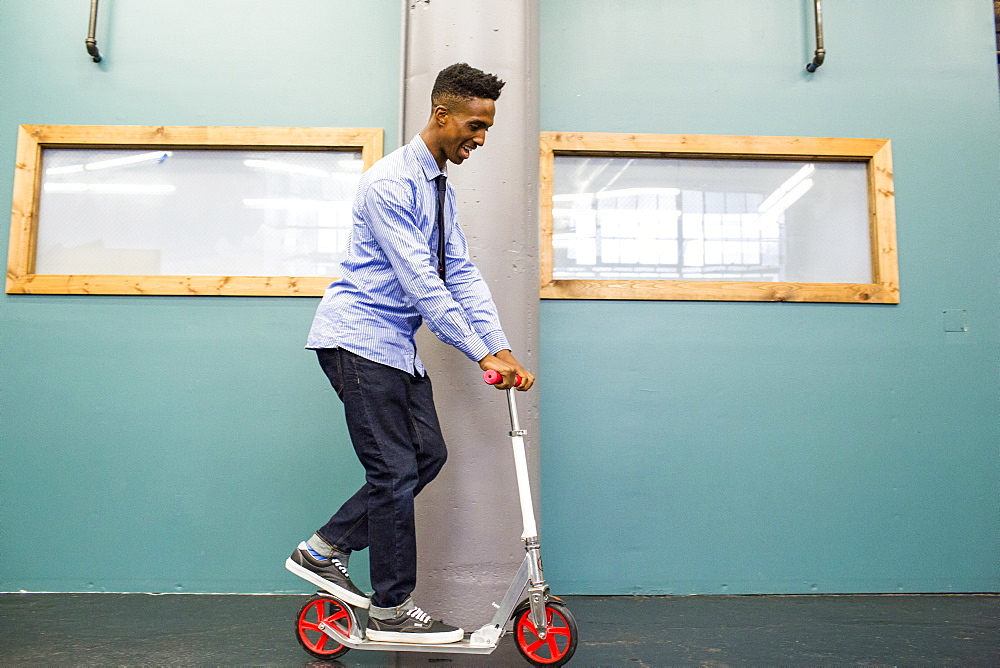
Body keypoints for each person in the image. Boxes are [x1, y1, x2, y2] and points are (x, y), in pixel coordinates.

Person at [285, 63, 533, 645]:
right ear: (441, 114)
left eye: (488, 128)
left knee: (425, 456)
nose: (480, 138)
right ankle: (391, 609)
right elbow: (424, 284)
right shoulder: (390, 183)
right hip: (358, 340)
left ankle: (323, 548)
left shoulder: (438, 186)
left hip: (396, 346)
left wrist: (498, 345)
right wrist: (479, 355)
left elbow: (461, 273)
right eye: (475, 125)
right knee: (393, 469)